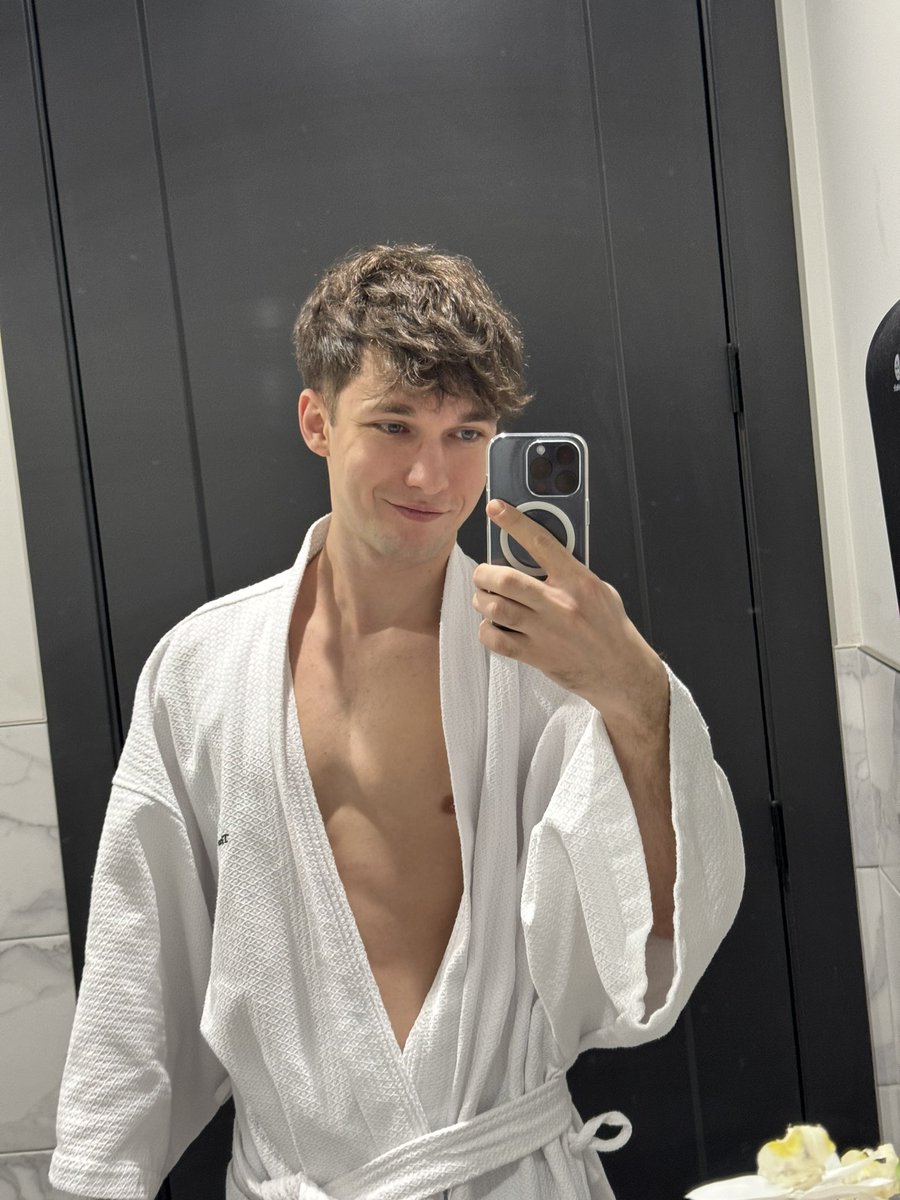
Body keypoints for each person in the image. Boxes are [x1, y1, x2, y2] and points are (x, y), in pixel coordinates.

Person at [49, 244, 744, 1200]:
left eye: (467, 434)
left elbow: (659, 934)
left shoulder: (550, 660)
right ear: (317, 421)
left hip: (505, 1171)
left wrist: (632, 688)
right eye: (394, 424)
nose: (431, 474)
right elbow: (142, 954)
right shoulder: (203, 667)